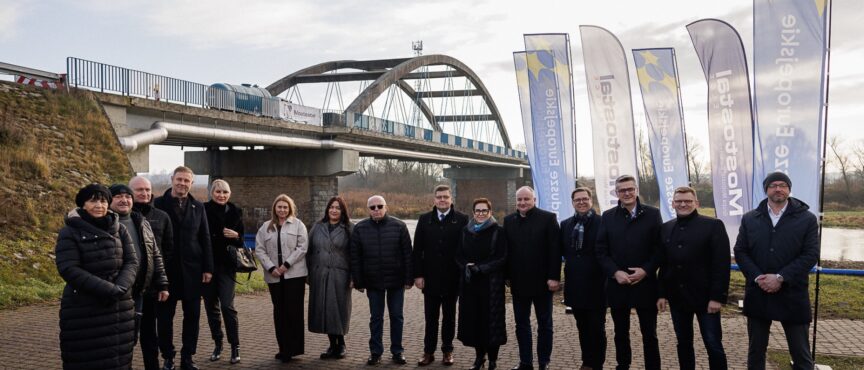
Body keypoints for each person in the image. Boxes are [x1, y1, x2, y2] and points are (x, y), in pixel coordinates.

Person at [734, 172, 820, 370]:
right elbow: (740, 251)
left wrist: (781, 278)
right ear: (766, 189)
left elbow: (810, 254)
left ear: (789, 189)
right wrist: (758, 277)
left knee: (801, 354)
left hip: (793, 293)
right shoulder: (750, 218)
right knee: (756, 351)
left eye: (783, 185)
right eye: (773, 185)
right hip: (758, 292)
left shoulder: (806, 219)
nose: (778, 189)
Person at [55, 183, 139, 369]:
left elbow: (131, 262)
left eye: (103, 201)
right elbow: (69, 268)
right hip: (84, 310)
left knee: (119, 360)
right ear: (82, 204)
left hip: (119, 309)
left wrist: (120, 288)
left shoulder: (120, 230)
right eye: (93, 201)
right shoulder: (69, 232)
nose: (99, 205)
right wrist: (108, 289)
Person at [656, 186, 730, 370]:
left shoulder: (713, 225)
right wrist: (662, 294)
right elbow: (664, 264)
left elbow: (721, 264)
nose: (683, 204)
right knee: (683, 343)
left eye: (688, 201)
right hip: (677, 297)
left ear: (696, 203)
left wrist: (717, 297)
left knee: (713, 343)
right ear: (673, 203)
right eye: (679, 201)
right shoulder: (666, 228)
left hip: (706, 298)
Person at [595, 175, 662, 370]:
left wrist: (646, 270)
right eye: (622, 190)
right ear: (616, 193)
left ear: (636, 190)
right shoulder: (607, 217)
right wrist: (615, 272)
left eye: (630, 189)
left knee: (649, 333)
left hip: (646, 284)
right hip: (618, 285)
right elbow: (601, 250)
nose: (626, 193)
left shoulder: (652, 214)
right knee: (620, 332)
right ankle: (623, 365)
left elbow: (659, 250)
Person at [153, 166, 214, 370]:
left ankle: (187, 357)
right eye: (179, 179)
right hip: (166, 272)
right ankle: (168, 356)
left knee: (193, 318)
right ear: (172, 179)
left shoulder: (198, 207)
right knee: (164, 319)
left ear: (191, 183)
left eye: (186, 181)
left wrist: (208, 268)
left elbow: (205, 239)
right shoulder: (158, 204)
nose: (182, 184)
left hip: (193, 272)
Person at [109, 184, 170, 366]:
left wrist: (163, 283)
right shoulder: (106, 223)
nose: (124, 200)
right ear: (108, 201)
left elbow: (155, 254)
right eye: (118, 196)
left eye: (127, 196)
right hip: (117, 293)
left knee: (149, 337)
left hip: (143, 291)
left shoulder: (141, 222)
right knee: (123, 341)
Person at [350, 195, 414, 366]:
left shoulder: (399, 226)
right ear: (368, 209)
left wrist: (409, 279)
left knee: (397, 317)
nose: (376, 210)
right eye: (372, 207)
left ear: (386, 207)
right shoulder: (360, 228)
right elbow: (355, 258)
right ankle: (375, 352)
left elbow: (408, 254)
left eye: (379, 206)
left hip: (396, 281)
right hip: (373, 282)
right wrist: (358, 281)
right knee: (376, 318)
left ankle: (397, 351)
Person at [503, 186, 561, 370]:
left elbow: (555, 251)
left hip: (543, 282)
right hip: (519, 283)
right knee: (521, 325)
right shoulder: (508, 220)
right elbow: (506, 252)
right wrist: (506, 277)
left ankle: (544, 362)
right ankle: (525, 362)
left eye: (526, 199)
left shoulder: (548, 218)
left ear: (534, 199)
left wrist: (554, 277)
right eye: (519, 199)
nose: (522, 203)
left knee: (545, 324)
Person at [413, 184, 470, 366]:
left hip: (452, 279)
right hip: (430, 279)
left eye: (445, 197)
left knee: (449, 318)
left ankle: (447, 351)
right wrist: (418, 275)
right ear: (434, 200)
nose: (442, 200)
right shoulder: (424, 220)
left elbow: (466, 250)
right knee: (431, 318)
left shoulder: (462, 219)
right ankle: (428, 352)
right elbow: (417, 250)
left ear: (451, 199)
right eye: (439, 197)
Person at [255, 194, 308, 362]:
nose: (282, 210)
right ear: (275, 209)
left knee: (294, 312)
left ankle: (294, 349)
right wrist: (271, 267)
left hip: (295, 275)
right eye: (279, 207)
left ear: (290, 208)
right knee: (279, 313)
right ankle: (283, 348)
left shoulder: (298, 225)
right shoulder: (265, 227)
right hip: (274, 277)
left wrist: (286, 265)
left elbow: (302, 248)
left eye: (285, 207)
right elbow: (259, 249)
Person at [130, 176, 175, 370]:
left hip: (150, 288)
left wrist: (161, 282)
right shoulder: (120, 216)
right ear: (130, 192)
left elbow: (167, 251)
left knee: (149, 336)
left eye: (147, 190)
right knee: (126, 338)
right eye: (139, 190)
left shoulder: (162, 217)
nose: (144, 193)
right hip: (126, 288)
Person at [457, 198, 508, 370]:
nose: (480, 214)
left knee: (492, 323)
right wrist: (466, 266)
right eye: (477, 211)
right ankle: (479, 358)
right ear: (473, 213)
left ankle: (493, 359)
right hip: (470, 284)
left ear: (490, 212)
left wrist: (482, 268)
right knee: (475, 322)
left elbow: (502, 257)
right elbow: (458, 255)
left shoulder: (498, 231)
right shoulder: (465, 231)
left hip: (491, 284)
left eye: (484, 211)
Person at [559, 187, 606, 370]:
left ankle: (598, 364)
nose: (581, 202)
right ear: (572, 203)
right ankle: (587, 362)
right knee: (582, 328)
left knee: (597, 329)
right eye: (577, 199)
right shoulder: (566, 224)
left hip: (597, 285)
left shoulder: (603, 223)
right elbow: (561, 252)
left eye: (584, 199)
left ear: (591, 200)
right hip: (575, 285)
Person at [202, 179, 244, 364]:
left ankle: (235, 345)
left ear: (229, 194)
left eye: (225, 192)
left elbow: (241, 242)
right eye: (218, 192)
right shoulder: (202, 210)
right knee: (211, 308)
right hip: (207, 267)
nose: (222, 195)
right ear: (212, 193)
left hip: (227, 267)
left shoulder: (235, 212)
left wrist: (237, 236)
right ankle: (218, 344)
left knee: (227, 306)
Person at [307, 196, 354, 360]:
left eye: (338, 208)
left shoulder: (349, 228)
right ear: (327, 209)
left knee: (338, 309)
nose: (334, 210)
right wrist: (309, 274)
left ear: (342, 211)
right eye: (331, 207)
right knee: (323, 310)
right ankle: (332, 345)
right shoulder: (318, 227)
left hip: (340, 275)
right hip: (319, 274)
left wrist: (353, 277)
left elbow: (355, 255)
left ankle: (341, 345)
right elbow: (309, 250)